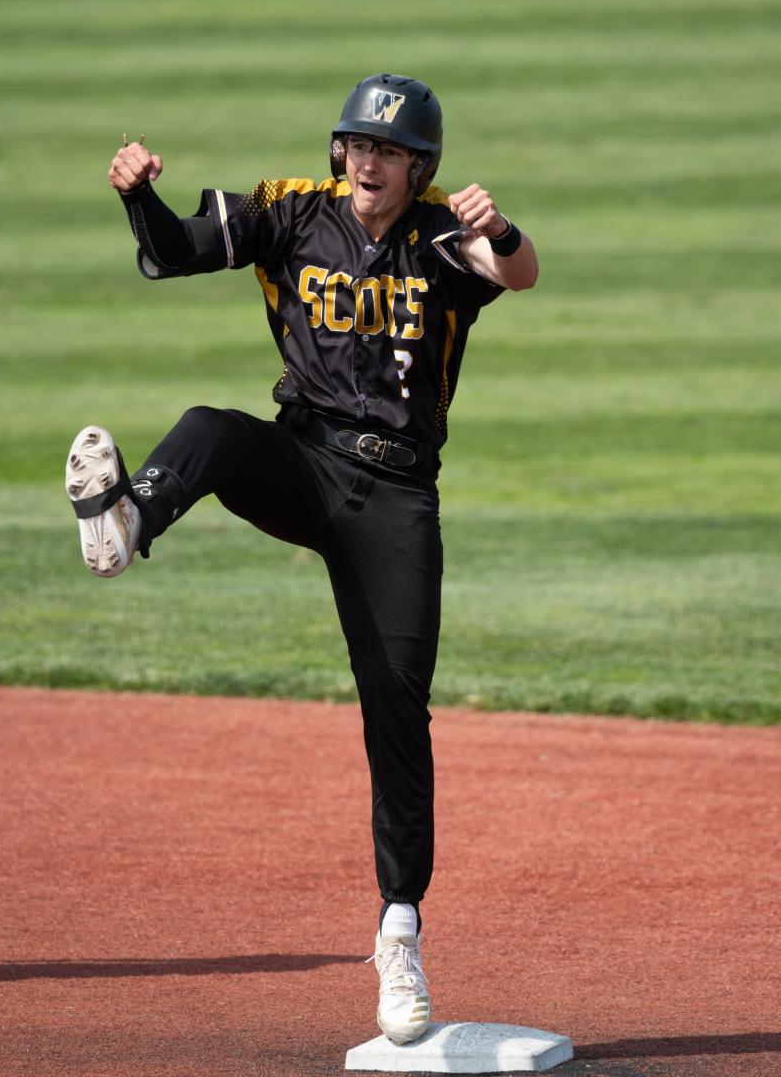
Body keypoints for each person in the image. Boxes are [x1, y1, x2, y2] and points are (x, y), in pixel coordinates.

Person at [65, 73, 537, 1042]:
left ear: (421, 167)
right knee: (212, 427)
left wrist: (503, 230)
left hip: (398, 500)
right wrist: (137, 195)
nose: (370, 160)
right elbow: (177, 250)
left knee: (397, 709)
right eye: (358, 143)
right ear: (340, 150)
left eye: (391, 151)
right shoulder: (292, 212)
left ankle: (399, 933)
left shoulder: (448, 234)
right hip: (305, 461)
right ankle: (128, 524)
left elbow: (520, 274)